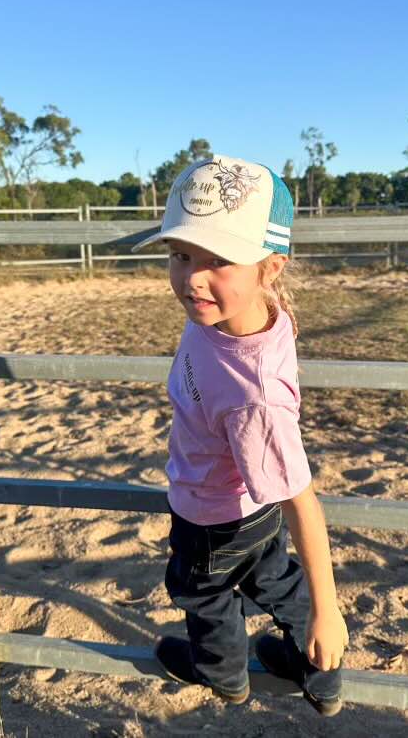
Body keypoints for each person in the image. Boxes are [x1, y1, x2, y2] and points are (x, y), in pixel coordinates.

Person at [132, 155, 349, 716]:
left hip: (210, 514)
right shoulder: (240, 311)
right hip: (251, 507)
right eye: (179, 255)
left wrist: (330, 608)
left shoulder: (254, 396)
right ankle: (319, 674)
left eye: (219, 259)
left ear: (270, 268)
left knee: (199, 591)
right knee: (274, 577)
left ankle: (224, 674)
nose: (191, 278)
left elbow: (302, 498)